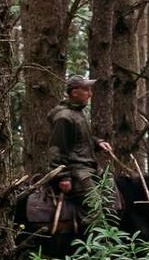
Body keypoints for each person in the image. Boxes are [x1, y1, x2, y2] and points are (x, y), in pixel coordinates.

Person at [48, 75, 113, 211]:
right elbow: (57, 149)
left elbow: (79, 139)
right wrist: (63, 177)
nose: (90, 94)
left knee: (114, 195)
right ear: (74, 93)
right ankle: (89, 231)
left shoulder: (78, 113)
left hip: (90, 168)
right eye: (86, 90)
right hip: (77, 171)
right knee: (96, 209)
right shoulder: (64, 117)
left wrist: (98, 142)